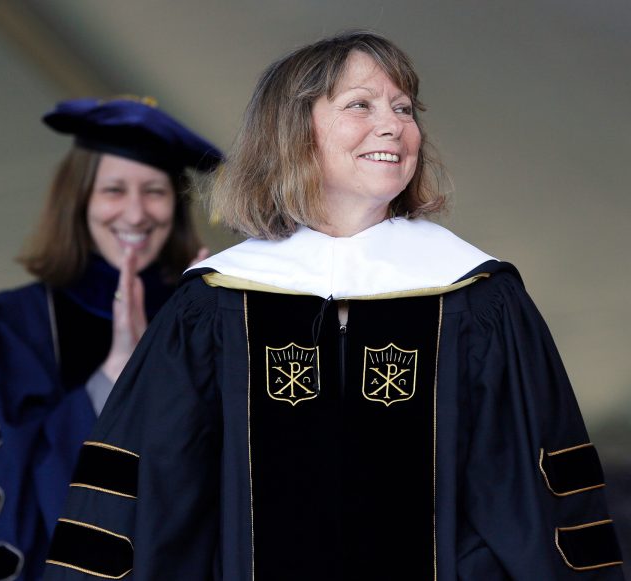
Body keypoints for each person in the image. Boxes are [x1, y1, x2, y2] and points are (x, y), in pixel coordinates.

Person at [43, 33, 624, 580]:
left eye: (403, 109)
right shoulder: (216, 303)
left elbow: (533, 495)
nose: (392, 127)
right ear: (295, 133)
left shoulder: (475, 297)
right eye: (360, 106)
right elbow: (152, 492)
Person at [0, 97, 222, 581]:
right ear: (78, 200)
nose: (136, 213)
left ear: (176, 206)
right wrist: (112, 378)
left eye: (155, 191)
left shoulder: (207, 322)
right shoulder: (12, 325)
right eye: (114, 189)